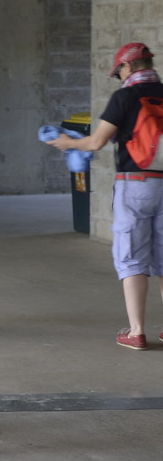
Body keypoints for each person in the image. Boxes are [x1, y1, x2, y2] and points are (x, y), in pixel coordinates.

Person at [46, 42, 163, 351]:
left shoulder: (124, 97)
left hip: (135, 183)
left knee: (132, 257)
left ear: (127, 67)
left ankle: (136, 331)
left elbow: (96, 142)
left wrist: (67, 143)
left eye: (119, 71)